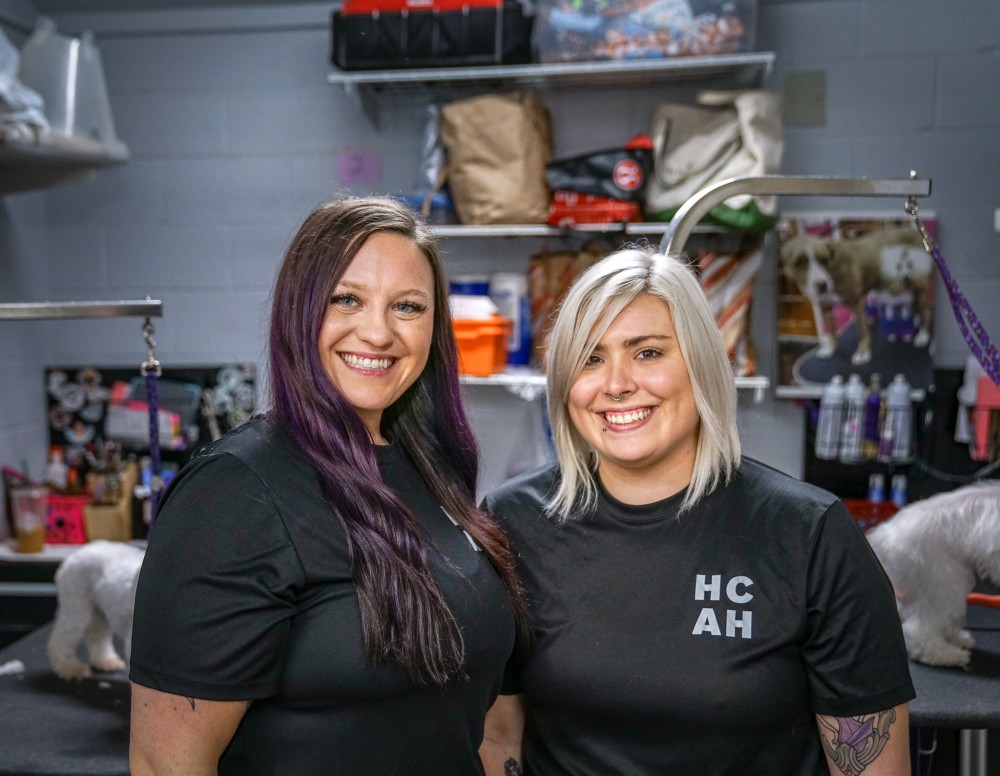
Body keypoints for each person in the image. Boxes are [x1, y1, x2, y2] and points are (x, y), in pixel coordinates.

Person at [480, 247, 915, 776]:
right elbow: (500, 737)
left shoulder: (807, 534)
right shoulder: (513, 521)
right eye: (590, 358)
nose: (616, 383)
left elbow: (870, 765)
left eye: (647, 353)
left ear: (701, 364)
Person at [129, 196, 526, 775]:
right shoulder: (235, 491)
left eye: (408, 307)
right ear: (299, 312)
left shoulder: (434, 465)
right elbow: (166, 765)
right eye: (347, 299)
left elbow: (477, 712)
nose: (379, 332)